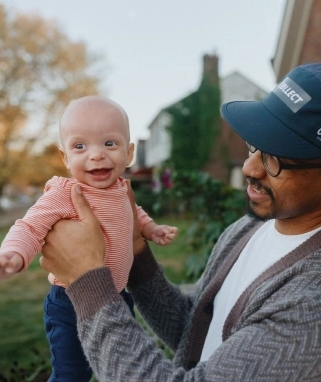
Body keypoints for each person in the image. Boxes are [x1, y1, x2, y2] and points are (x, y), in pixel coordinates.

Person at [40, 62, 321, 381]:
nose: (249, 167)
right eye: (255, 145)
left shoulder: (311, 304)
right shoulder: (249, 228)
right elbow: (194, 330)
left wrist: (88, 281)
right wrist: (136, 251)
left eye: (275, 158)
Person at [0, 96, 178, 381]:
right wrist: (14, 254)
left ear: (129, 153)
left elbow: (134, 215)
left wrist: (151, 229)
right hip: (69, 302)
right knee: (72, 373)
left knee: (113, 366)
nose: (96, 155)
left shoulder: (120, 189)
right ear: (65, 158)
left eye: (109, 144)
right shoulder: (64, 193)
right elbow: (30, 226)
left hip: (114, 296)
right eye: (80, 146)